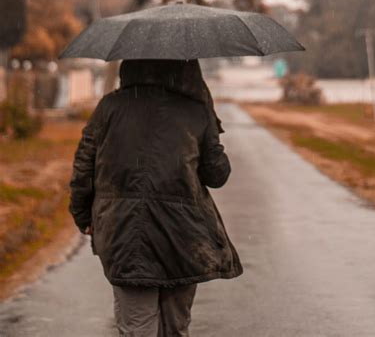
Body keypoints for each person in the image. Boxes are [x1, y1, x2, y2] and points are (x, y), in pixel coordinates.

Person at [68, 58, 243, 336]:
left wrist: (82, 215)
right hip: (182, 238)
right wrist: (208, 118)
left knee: (137, 327)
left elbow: (83, 168)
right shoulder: (194, 111)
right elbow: (217, 175)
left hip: (124, 233)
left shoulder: (109, 108)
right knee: (175, 328)